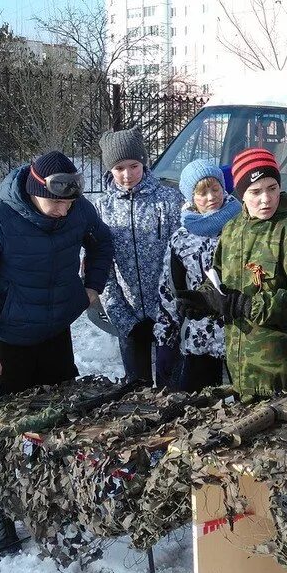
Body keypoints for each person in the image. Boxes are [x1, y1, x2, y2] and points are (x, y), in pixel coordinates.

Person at [0, 150, 113, 556]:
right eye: (55, 202)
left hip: (55, 333)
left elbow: (102, 241)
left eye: (69, 203)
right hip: (6, 342)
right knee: (3, 436)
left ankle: (56, 502)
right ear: (34, 190)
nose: (62, 211)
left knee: (60, 424)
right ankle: (1, 519)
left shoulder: (77, 211)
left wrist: (91, 286)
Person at [176, 148, 287, 400]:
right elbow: (220, 276)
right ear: (240, 193)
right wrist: (205, 299)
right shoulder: (233, 229)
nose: (266, 199)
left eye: (272, 188)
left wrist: (245, 305)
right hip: (243, 369)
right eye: (255, 192)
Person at [95, 127, 183, 385]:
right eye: (119, 168)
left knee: (173, 390)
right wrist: (121, 316)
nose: (127, 175)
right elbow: (102, 269)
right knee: (136, 390)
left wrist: (172, 310)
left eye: (134, 166)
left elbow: (181, 258)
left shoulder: (168, 200)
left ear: (143, 162)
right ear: (110, 170)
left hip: (167, 314)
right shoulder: (102, 209)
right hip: (129, 316)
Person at [154, 158, 241, 392]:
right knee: (198, 409)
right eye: (202, 192)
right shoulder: (181, 239)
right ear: (191, 198)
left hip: (240, 336)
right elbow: (170, 291)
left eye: (215, 189)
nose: (211, 197)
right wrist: (166, 339)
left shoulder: (241, 226)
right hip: (200, 337)